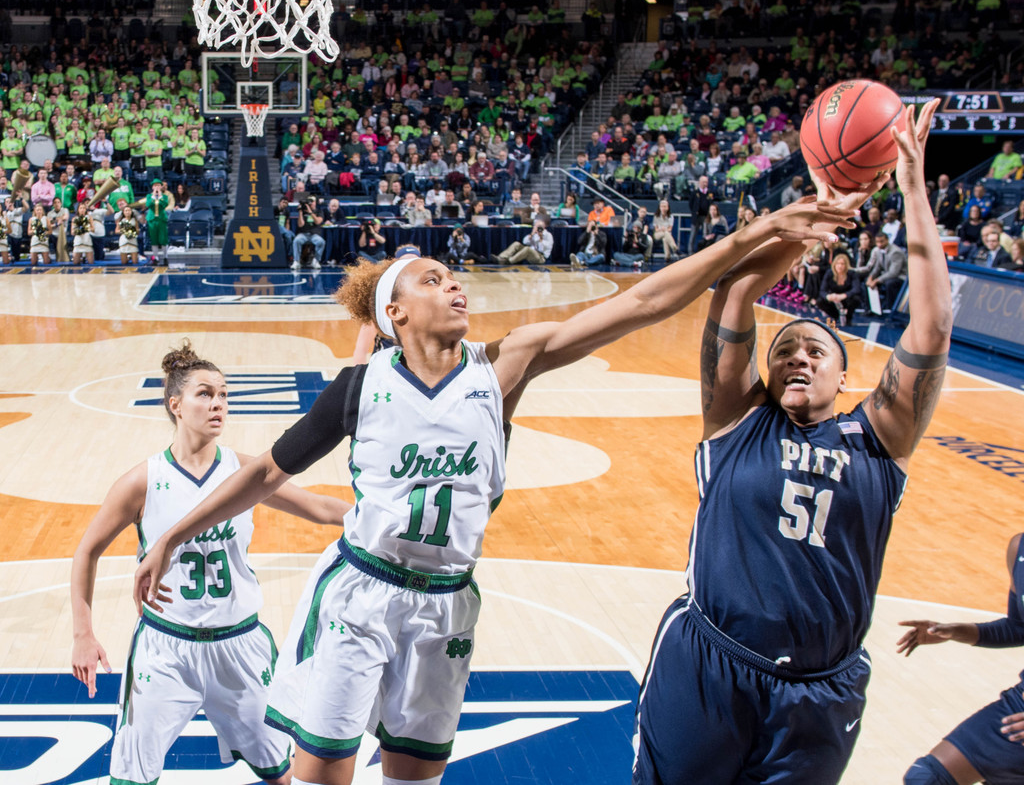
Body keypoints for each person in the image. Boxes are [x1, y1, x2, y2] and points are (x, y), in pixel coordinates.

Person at [134, 191, 857, 785]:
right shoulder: (361, 388)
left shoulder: (503, 366)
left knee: (412, 781)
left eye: (454, 277)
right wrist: (171, 533)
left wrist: (761, 232)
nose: (454, 285)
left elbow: (644, 303)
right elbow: (263, 473)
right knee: (322, 776)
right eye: (432, 279)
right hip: (359, 592)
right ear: (396, 314)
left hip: (445, 604)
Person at [633, 100, 951, 785]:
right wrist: (818, 216)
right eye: (785, 351)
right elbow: (735, 298)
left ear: (846, 375)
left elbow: (929, 329)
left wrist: (913, 193)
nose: (798, 357)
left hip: (821, 690)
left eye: (815, 349)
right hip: (709, 663)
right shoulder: (738, 421)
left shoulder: (876, 437)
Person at [73, 341, 350, 785]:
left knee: (281, 773)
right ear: (175, 404)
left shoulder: (245, 472)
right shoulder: (143, 481)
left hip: (239, 644)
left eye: (224, 395)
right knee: (130, 778)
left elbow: (317, 507)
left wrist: (378, 514)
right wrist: (83, 633)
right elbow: (86, 550)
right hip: (166, 649)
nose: (218, 404)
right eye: (205, 394)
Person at [898, 531, 1024, 785]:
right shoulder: (1019, 547)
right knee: (926, 778)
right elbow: (1018, 627)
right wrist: (956, 631)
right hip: (1019, 710)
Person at [864, 230, 909, 309]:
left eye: (882, 241)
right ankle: (870, 309)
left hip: (900, 277)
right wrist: (871, 277)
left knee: (890, 284)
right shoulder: (878, 250)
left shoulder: (896, 252)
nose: (879, 244)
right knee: (866, 282)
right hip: (886, 275)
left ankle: (890, 309)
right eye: (877, 242)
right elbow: (877, 267)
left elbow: (893, 273)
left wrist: (877, 280)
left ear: (887, 240)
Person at [816, 251, 862, 325]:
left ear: (846, 265)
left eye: (842, 264)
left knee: (856, 299)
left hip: (846, 298)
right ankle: (836, 316)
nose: (840, 266)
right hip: (834, 298)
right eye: (838, 263)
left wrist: (844, 295)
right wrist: (828, 296)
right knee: (820, 301)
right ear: (834, 264)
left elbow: (856, 289)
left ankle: (848, 317)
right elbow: (822, 290)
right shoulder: (829, 273)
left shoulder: (852, 274)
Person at [145, 179, 172, 266]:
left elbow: (164, 204)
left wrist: (159, 196)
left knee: (163, 238)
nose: (156, 187)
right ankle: (155, 257)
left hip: (161, 219)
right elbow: (148, 204)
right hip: (152, 219)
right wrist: (154, 196)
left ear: (161, 187)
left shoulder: (164, 196)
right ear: (152, 187)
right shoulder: (149, 196)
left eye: (158, 185)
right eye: (155, 185)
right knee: (154, 239)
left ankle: (165, 257)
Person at [114, 198, 141, 265]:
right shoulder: (121, 220)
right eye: (126, 211)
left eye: (129, 210)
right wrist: (124, 231)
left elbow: (138, 230)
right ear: (123, 212)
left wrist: (133, 231)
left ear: (131, 211)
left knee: (135, 262)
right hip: (124, 240)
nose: (127, 212)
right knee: (124, 263)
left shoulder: (134, 220)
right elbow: (116, 231)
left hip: (132, 240)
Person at [70, 201, 96, 265]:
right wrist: (78, 230)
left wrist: (86, 228)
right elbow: (72, 232)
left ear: (85, 209)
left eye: (84, 208)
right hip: (78, 240)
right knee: (75, 263)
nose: (82, 210)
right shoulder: (74, 219)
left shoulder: (89, 218)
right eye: (80, 208)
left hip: (87, 240)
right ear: (78, 209)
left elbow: (93, 229)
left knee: (91, 262)